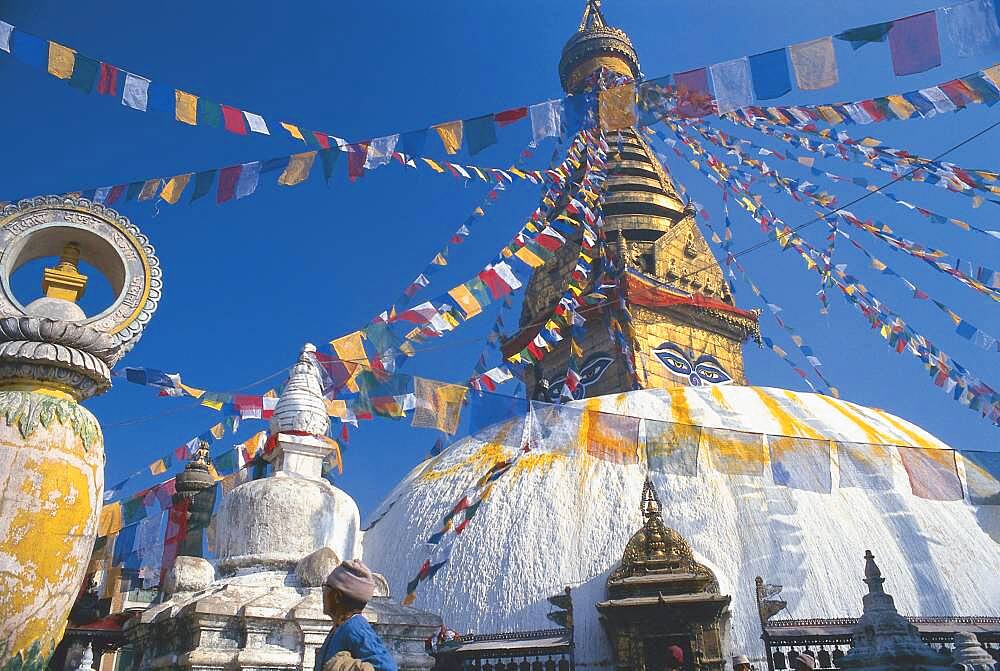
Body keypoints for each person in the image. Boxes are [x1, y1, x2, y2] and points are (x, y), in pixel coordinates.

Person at [314, 560, 398, 671]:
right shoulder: (341, 626)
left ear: (336, 596)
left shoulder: (355, 627)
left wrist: (346, 668)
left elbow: (388, 668)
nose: (323, 593)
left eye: (326, 588)